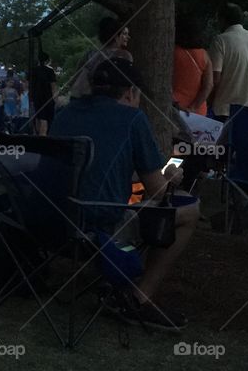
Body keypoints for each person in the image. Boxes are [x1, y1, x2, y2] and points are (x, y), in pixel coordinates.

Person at [51, 58, 197, 331]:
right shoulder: (132, 119)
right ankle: (137, 299)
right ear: (130, 92)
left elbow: (89, 165)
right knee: (189, 210)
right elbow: (158, 192)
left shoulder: (65, 114)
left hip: (48, 220)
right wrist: (171, 177)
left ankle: (115, 284)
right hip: (96, 227)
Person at [208, 3, 248, 120]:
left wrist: (208, 102)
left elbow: (215, 78)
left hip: (224, 110)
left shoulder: (220, 40)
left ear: (222, 19)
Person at [69, 17, 133, 98]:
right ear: (117, 37)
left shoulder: (89, 55)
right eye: (123, 34)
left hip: (87, 102)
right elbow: (127, 86)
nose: (128, 37)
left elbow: (74, 81)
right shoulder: (125, 55)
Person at [173, 15, 212, 116]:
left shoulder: (173, 52)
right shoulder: (204, 55)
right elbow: (208, 85)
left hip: (175, 106)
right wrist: (194, 107)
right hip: (198, 110)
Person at [30, 51, 58, 136]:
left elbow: (29, 85)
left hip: (36, 98)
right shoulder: (49, 71)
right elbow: (53, 86)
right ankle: (43, 136)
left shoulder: (33, 71)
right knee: (45, 119)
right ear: (47, 60)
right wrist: (55, 98)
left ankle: (37, 134)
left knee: (38, 118)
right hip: (47, 98)